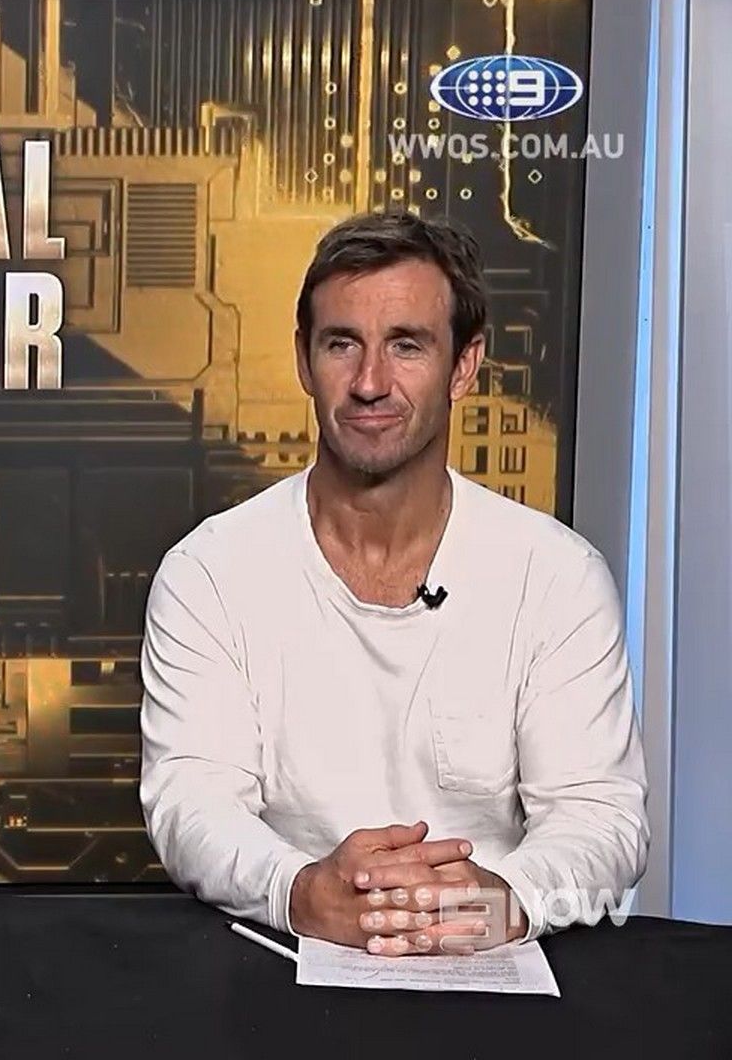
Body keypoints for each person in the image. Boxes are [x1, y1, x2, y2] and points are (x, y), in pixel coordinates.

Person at [138, 212, 648, 955]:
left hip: (490, 970)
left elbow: (603, 818)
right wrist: (300, 892)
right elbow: (191, 801)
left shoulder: (558, 578)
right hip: (280, 965)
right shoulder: (208, 575)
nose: (370, 383)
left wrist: (506, 902)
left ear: (464, 366)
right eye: (342, 344)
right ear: (304, 360)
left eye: (407, 345)